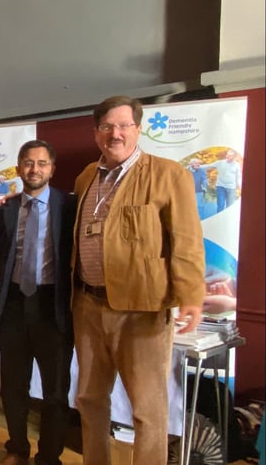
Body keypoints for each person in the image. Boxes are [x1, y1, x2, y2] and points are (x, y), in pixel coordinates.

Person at [72, 96, 205, 465]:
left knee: (147, 409)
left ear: (138, 128)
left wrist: (192, 294)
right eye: (106, 127)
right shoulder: (86, 177)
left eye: (123, 125)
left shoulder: (168, 174)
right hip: (87, 306)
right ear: (96, 132)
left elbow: (187, 239)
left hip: (142, 311)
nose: (115, 134)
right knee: (90, 400)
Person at [0, 140, 75, 465]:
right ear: (18, 167)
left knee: (56, 391)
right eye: (28, 162)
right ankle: (17, 448)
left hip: (51, 307)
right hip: (13, 305)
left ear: (52, 168)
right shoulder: (6, 210)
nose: (34, 169)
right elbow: (1, 258)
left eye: (42, 163)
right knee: (13, 386)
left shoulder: (69, 206)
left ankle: (49, 456)